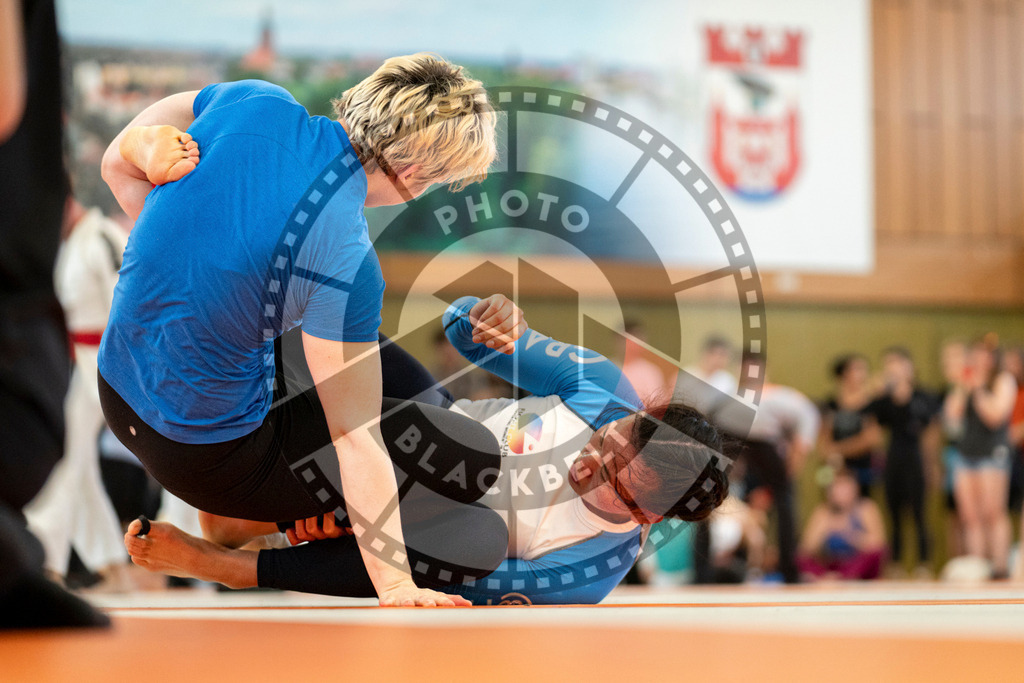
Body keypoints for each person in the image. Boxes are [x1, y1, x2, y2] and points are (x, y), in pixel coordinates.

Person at [98, 54, 499, 606]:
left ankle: (282, 514)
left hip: (118, 394)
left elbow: (116, 166)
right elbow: (355, 439)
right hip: (208, 460)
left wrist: (140, 148)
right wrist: (398, 586)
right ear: (415, 176)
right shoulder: (344, 253)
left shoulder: (252, 100)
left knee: (424, 403)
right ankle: (235, 557)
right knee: (473, 499)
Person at [123, 295, 731, 605]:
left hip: (419, 520)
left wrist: (354, 528)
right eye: (609, 444)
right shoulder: (607, 391)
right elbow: (465, 332)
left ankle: (238, 562)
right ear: (630, 420)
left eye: (614, 484)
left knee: (475, 543)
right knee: (346, 330)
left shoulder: (584, 571)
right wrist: (487, 317)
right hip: (422, 423)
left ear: (647, 520)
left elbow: (443, 580)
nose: (589, 464)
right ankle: (240, 436)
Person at [0, 0, 108, 628]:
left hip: (92, 358)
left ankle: (57, 554)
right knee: (61, 462)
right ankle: (68, 555)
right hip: (49, 349)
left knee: (63, 460)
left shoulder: (99, 240)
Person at [24, 197, 131, 590]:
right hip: (77, 364)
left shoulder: (103, 236)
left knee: (68, 455)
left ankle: (47, 563)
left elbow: (129, 298)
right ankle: (110, 567)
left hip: (110, 361)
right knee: (76, 464)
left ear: (68, 204)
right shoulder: (71, 245)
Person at [943, 336, 1017, 579]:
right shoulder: (966, 381)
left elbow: (995, 415)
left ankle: (999, 565)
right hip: (966, 454)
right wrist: (964, 387)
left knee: (993, 512)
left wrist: (978, 390)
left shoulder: (1002, 381)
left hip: (992, 454)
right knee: (970, 515)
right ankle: (977, 565)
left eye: (984, 354)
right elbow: (952, 418)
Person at [868, 347, 940, 578]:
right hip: (893, 457)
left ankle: (924, 563)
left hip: (916, 458)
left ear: (909, 366)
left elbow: (931, 429)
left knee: (919, 513)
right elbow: (869, 419)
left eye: (896, 364)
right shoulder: (884, 399)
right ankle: (896, 563)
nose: (892, 370)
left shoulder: (923, 396)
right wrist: (875, 390)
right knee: (894, 513)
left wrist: (932, 465)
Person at [798, 469, 886, 581]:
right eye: (838, 487)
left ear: (855, 489)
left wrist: (848, 533)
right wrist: (825, 529)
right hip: (831, 565)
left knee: (876, 554)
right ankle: (831, 577)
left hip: (856, 566)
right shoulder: (823, 512)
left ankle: (843, 577)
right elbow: (806, 548)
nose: (842, 492)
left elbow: (878, 544)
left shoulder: (866, 508)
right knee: (800, 558)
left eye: (846, 487)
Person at [820, 354, 881, 498]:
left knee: (863, 503)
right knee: (833, 503)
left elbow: (872, 439)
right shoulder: (830, 404)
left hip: (863, 466)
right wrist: (832, 456)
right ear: (843, 374)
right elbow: (823, 440)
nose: (862, 374)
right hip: (835, 467)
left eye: (864, 369)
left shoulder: (872, 404)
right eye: (857, 369)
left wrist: (839, 450)